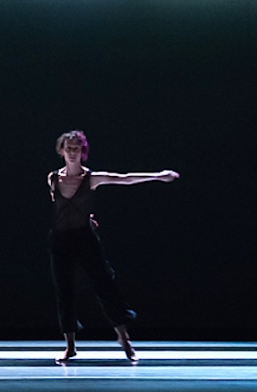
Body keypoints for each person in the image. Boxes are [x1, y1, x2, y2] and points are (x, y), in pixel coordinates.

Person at [47, 130, 178, 363]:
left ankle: (124, 340)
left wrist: (158, 176)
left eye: (77, 148)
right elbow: (61, 209)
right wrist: (84, 216)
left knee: (105, 286)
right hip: (60, 240)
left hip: (85, 239)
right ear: (62, 151)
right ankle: (70, 346)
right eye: (69, 148)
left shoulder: (92, 178)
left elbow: (124, 178)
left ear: (83, 151)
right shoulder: (53, 178)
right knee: (64, 292)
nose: (73, 152)